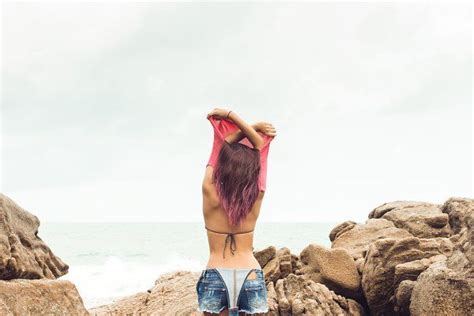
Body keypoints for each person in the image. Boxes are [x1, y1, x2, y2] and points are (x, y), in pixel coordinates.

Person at [196, 108, 277, 316]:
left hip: (216, 273)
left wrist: (230, 117)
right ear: (252, 173)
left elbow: (220, 147)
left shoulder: (209, 192)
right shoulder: (256, 194)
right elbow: (259, 147)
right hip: (249, 273)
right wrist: (250, 125)